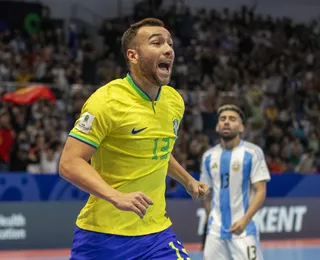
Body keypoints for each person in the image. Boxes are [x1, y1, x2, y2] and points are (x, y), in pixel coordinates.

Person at [59, 18, 209, 260]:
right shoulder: (106, 101)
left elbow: (157, 151)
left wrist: (187, 180)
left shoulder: (174, 102)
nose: (168, 49)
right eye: (156, 42)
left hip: (156, 234)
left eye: (169, 43)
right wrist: (115, 196)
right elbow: (69, 163)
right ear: (133, 55)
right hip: (103, 238)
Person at [201, 104, 270, 260]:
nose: (226, 122)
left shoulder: (252, 152)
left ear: (241, 127)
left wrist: (245, 220)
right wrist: (211, 217)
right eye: (223, 119)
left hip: (243, 232)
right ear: (217, 126)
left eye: (232, 119)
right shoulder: (208, 156)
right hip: (215, 234)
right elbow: (206, 193)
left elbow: (260, 190)